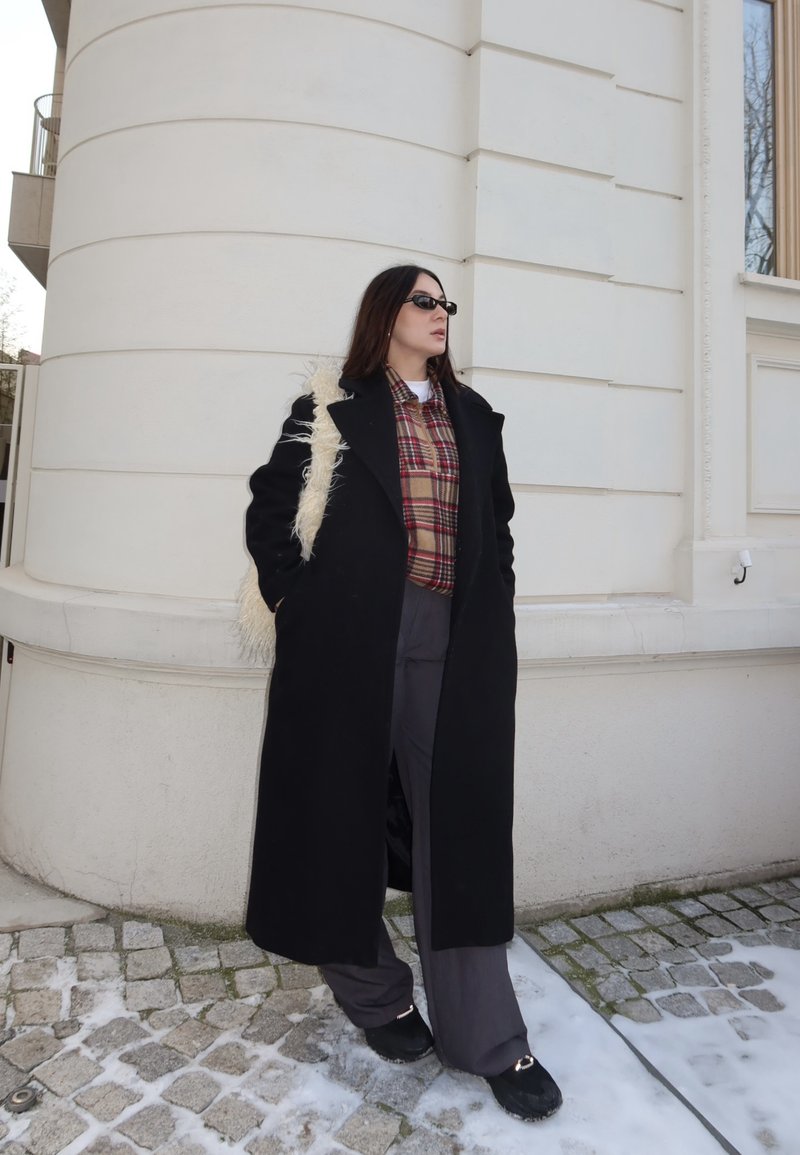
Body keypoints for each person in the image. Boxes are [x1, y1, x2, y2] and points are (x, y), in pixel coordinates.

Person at [244, 265, 562, 1122]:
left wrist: (494, 599)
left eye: (446, 302)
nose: (441, 313)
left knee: (457, 827)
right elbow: (272, 504)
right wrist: (297, 602)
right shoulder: (333, 406)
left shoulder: (473, 418)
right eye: (425, 300)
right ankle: (375, 996)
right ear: (386, 314)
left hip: (452, 640)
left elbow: (494, 528)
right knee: (332, 818)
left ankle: (490, 1038)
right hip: (348, 637)